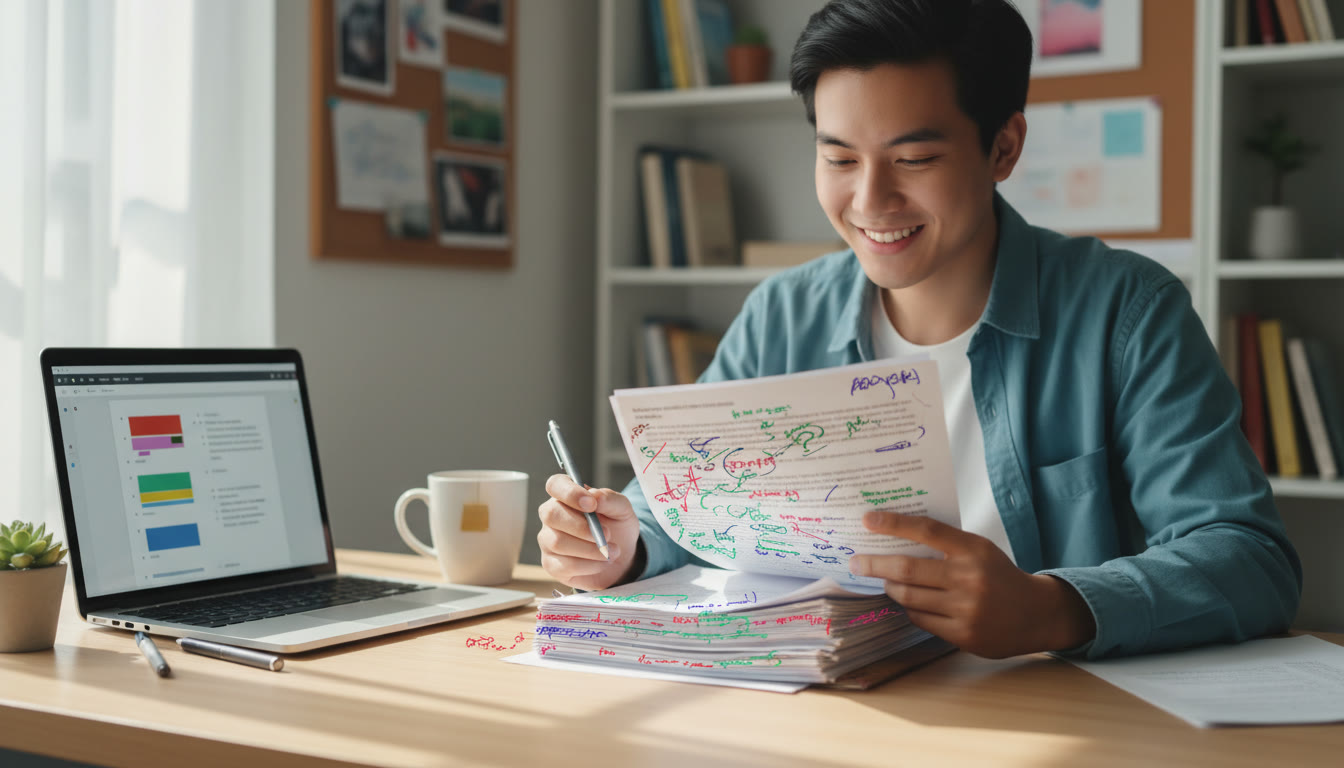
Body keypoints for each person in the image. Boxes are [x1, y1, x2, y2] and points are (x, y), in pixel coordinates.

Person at [537, 0, 1301, 660]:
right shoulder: (782, 315)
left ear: (1003, 147)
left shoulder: (1128, 313)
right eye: (838, 157)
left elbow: (1249, 559)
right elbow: (690, 513)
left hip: (1053, 718)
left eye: (913, 157)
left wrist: (1050, 608)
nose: (870, 199)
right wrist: (622, 542)